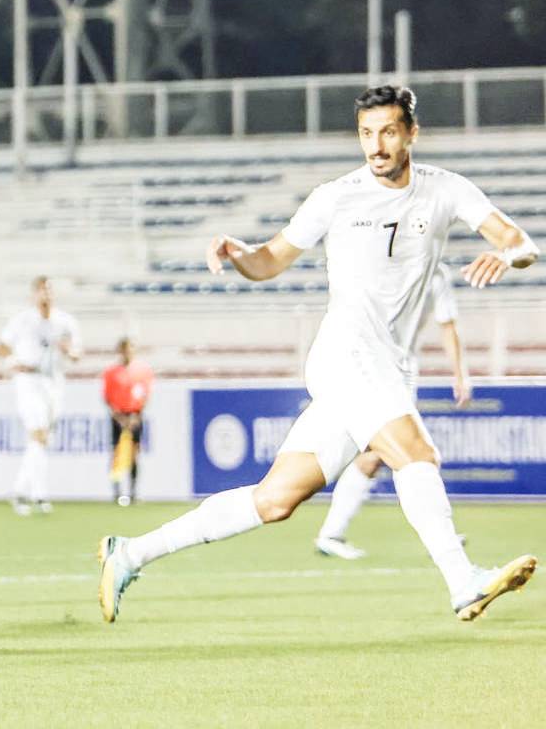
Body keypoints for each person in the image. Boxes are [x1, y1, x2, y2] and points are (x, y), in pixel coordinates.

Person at [99, 85, 538, 623]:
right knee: (416, 454)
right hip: (346, 355)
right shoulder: (335, 196)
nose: (376, 145)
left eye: (388, 132)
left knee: (275, 500)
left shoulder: (445, 190)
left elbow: (521, 242)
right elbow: (269, 263)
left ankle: (130, 553)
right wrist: (240, 254)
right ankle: (462, 580)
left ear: (411, 134)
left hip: (386, 365)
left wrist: (507, 255)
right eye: (366, 133)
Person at [315, 263, 471, 559]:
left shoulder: (436, 273)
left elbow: (447, 325)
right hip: (368, 365)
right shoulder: (378, 262)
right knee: (393, 451)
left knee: (384, 454)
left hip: (402, 370)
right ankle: (437, 534)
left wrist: (460, 374)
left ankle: (331, 533)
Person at [0, 276, 82, 515]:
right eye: (42, 290)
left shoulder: (64, 321)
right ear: (34, 294)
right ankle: (38, 494)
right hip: (29, 380)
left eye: (49, 290)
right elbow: (1, 346)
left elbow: (77, 353)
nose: (46, 295)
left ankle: (23, 490)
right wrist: (13, 362)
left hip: (54, 381)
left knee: (42, 440)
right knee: (38, 434)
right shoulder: (22, 320)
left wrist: (69, 351)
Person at [102, 338, 154, 506]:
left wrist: (135, 415)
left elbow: (145, 395)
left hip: (135, 416)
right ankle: (117, 492)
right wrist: (119, 417)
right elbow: (108, 398)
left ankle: (133, 492)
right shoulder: (111, 372)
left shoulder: (143, 371)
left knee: (134, 454)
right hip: (119, 417)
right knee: (117, 453)